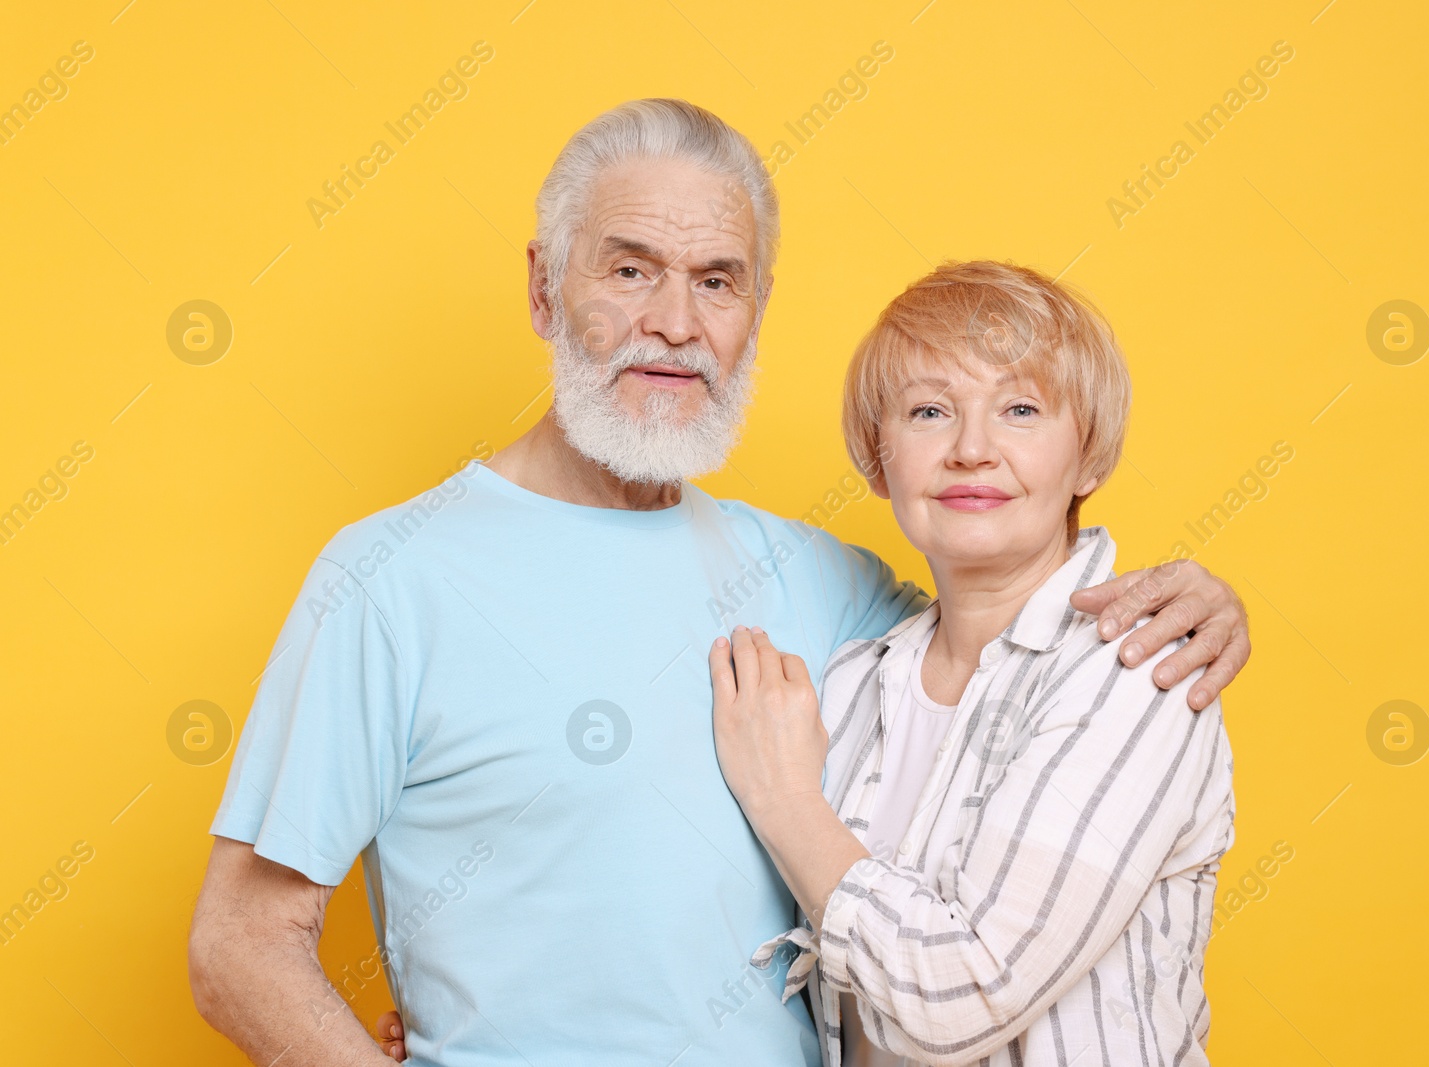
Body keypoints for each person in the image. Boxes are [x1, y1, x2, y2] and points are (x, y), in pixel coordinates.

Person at [186, 99, 1251, 1067]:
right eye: (630, 269)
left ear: (756, 309)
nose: (676, 324)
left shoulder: (830, 583)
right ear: (544, 288)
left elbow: (1011, 647)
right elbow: (240, 943)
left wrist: (1197, 602)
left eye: (716, 280)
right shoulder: (391, 577)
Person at [708, 261, 1233, 1066]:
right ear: (880, 463)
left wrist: (784, 800)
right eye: (928, 411)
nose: (972, 449)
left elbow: (962, 999)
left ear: (1088, 459)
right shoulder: (852, 681)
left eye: (1020, 408)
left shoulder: (1139, 668)